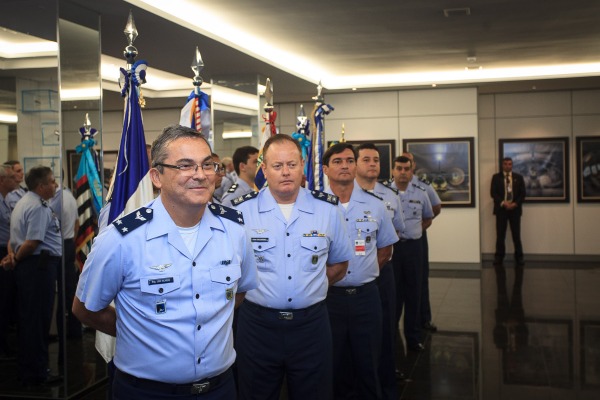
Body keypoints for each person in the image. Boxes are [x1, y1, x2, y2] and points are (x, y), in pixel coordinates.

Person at [72, 125, 258, 399]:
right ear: (156, 177)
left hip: (220, 388)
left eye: (208, 165)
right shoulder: (122, 239)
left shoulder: (235, 231)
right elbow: (86, 309)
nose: (200, 175)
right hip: (146, 391)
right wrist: (141, 332)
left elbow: (238, 292)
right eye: (185, 166)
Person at [233, 134, 352, 400]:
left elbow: (340, 264)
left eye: (292, 164)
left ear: (302, 165)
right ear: (264, 169)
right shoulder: (242, 212)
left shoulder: (327, 210)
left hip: (311, 326)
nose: (286, 172)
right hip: (257, 327)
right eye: (277, 166)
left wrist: (308, 287)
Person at [323, 143, 398, 400]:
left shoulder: (375, 205)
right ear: (325, 168)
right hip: (328, 300)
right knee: (333, 365)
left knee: (369, 364)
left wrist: (361, 272)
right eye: (337, 161)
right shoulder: (313, 205)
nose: (345, 165)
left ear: (355, 166)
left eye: (349, 160)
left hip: (366, 299)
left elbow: (385, 250)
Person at [1, 166, 62, 386]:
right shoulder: (36, 207)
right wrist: (15, 258)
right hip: (38, 267)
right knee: (37, 322)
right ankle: (36, 373)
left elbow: (12, 238)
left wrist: (12, 256)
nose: (55, 185)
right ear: (41, 186)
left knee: (30, 320)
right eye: (52, 181)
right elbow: (32, 241)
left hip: (32, 266)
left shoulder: (23, 202)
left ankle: (32, 369)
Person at [355, 143, 405, 399]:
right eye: (366, 159)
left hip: (382, 272)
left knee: (385, 328)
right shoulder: (342, 196)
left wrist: (375, 264)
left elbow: (395, 233)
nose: (373, 163)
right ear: (355, 164)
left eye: (376, 159)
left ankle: (385, 380)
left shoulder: (390, 196)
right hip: (350, 275)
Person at [388, 156, 433, 354]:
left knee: (414, 292)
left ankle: (413, 338)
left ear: (411, 171)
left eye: (406, 168)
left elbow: (428, 217)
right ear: (393, 171)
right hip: (393, 250)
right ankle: (390, 336)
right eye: (399, 168)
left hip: (414, 248)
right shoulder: (384, 194)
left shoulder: (421, 193)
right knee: (393, 294)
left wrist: (414, 231)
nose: (403, 172)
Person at [402, 152, 441, 333]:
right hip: (395, 242)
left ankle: (423, 319)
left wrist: (418, 227)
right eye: (400, 164)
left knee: (420, 279)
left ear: (413, 165)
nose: (404, 169)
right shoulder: (388, 188)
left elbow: (435, 207)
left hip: (417, 238)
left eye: (408, 163)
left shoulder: (423, 186)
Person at [490, 157, 526, 266]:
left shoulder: (519, 178)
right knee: (500, 235)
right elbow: (493, 193)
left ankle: (519, 257)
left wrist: (515, 204)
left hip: (515, 210)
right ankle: (499, 257)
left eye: (510, 164)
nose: (507, 166)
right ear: (502, 165)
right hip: (501, 210)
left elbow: (522, 194)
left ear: (512, 165)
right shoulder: (496, 177)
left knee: (516, 235)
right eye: (505, 164)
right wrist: (503, 203)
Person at [0, 164, 19, 360]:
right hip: (1, 253)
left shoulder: (5, 200)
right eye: (12, 178)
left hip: (7, 250)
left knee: (8, 301)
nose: (16, 180)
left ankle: (5, 343)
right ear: (2, 181)